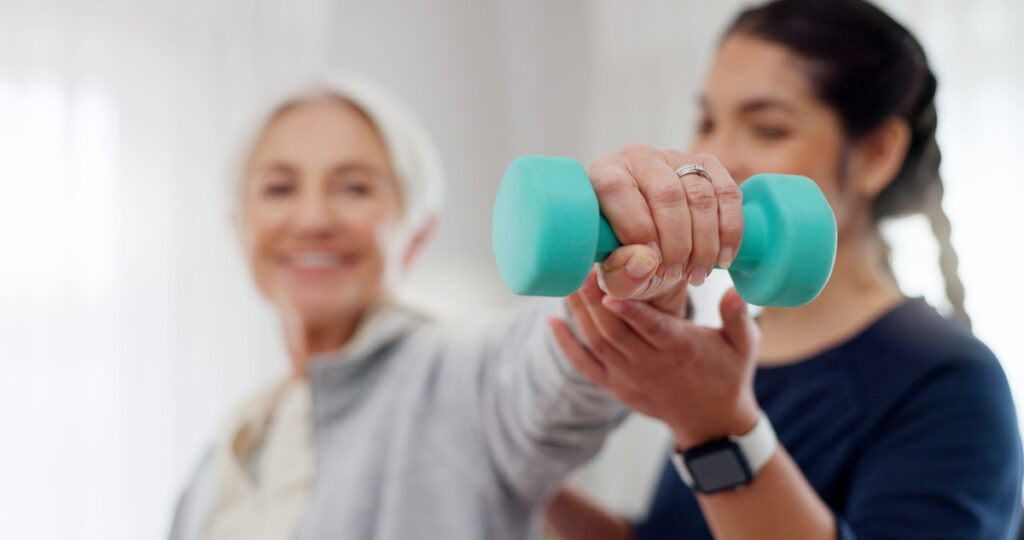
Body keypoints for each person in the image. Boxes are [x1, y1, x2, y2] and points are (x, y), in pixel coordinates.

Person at [166, 75, 742, 540]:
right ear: (240, 225)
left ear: (418, 230)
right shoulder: (230, 450)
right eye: (279, 188)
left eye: (354, 187)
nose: (313, 218)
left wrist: (630, 280)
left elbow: (555, 367)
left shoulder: (457, 375)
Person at [543, 1, 1023, 539]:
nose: (716, 163)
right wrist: (526, 482)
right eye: (707, 122)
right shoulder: (722, 355)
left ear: (875, 155)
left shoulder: (953, 381)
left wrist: (715, 431)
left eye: (768, 129)